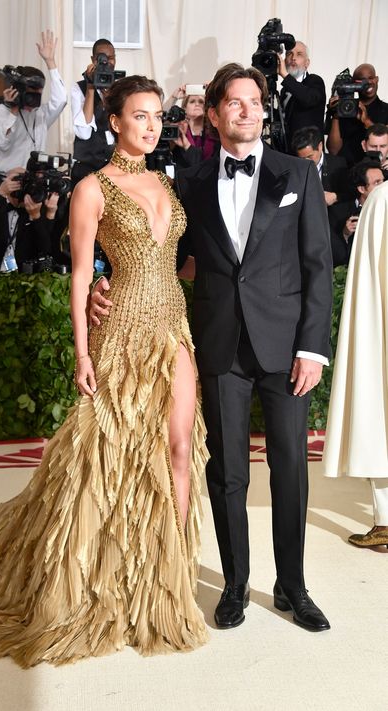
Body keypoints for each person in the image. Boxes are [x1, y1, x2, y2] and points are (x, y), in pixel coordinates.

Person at [0, 75, 208, 668]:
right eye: (140, 115)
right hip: (121, 326)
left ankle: (166, 580)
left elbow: (185, 262)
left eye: (157, 115)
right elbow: (80, 276)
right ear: (115, 122)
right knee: (112, 455)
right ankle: (104, 578)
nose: (152, 125)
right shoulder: (93, 189)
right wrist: (81, 352)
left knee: (180, 448)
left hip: (174, 325)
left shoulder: (168, 184)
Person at [92, 63, 333, 631]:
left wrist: (313, 349)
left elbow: (317, 268)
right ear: (217, 112)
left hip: (285, 349)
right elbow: (158, 253)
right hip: (218, 343)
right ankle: (233, 585)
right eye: (235, 102)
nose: (246, 111)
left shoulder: (297, 176)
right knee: (225, 473)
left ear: (263, 110)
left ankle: (292, 585)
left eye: (255, 101)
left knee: (291, 469)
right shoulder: (190, 183)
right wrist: (107, 278)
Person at [323, 180, 388, 549]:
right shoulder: (381, 199)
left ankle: (385, 521)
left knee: (379, 410)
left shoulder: (381, 199)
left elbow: (368, 279)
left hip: (382, 328)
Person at [0, 30, 67, 193]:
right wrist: (14, 110)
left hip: (31, 183)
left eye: (38, 94)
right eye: (30, 93)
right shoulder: (2, 111)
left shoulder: (40, 115)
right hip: (5, 182)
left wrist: (50, 62)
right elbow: (2, 144)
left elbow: (61, 99)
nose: (34, 100)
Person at [0, 168, 60, 272]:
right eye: (16, 179)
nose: (20, 184)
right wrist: (0, 193)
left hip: (23, 276)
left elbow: (46, 248)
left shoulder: (36, 207)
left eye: (24, 180)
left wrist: (36, 216)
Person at [70, 39, 117, 180]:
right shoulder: (79, 88)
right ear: (93, 60)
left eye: (111, 58)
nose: (106, 62)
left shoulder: (120, 88)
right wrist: (91, 87)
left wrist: (109, 93)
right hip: (87, 169)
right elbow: (84, 133)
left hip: (114, 166)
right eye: (101, 58)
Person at [326, 63, 388, 166]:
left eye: (371, 78)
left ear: (376, 79)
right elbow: (333, 151)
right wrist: (336, 115)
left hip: (375, 172)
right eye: (362, 80)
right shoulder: (343, 108)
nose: (367, 82)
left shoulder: (386, 110)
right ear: (353, 83)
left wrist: (366, 121)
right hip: (345, 172)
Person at [329, 158, 384, 267]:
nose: (383, 187)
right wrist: (345, 234)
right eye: (377, 183)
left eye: (383, 181)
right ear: (362, 189)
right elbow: (336, 258)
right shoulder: (337, 213)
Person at [278, 41, 326, 149]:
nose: (293, 58)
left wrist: (285, 75)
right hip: (287, 152)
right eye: (289, 54)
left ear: (307, 63)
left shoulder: (315, 81)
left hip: (308, 152)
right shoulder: (284, 90)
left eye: (299, 54)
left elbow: (308, 98)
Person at [291, 125, 351, 207]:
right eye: (302, 158)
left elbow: (350, 193)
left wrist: (335, 197)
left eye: (309, 156)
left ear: (320, 146)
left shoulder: (338, 164)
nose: (306, 161)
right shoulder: (293, 167)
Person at [172, 90, 220, 169]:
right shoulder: (178, 129)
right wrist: (174, 98)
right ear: (184, 108)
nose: (197, 104)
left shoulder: (215, 131)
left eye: (201, 102)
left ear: (207, 108)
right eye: (192, 101)